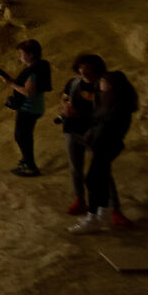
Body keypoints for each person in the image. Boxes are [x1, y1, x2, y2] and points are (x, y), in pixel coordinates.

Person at [77, 68, 139, 232]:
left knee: (92, 180)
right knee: (101, 179)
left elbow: (107, 126)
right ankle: (101, 214)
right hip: (105, 145)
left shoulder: (118, 107)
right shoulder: (111, 102)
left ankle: (93, 218)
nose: (100, 84)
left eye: (104, 82)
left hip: (106, 145)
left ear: (112, 86)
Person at [0, 38, 53, 177]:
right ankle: (27, 161)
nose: (19, 57)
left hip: (28, 108)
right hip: (35, 107)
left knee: (21, 136)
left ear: (31, 54)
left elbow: (29, 92)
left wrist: (10, 83)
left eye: (21, 54)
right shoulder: (40, 66)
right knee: (25, 135)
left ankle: (30, 166)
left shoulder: (33, 71)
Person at [59, 54, 105, 215]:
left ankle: (108, 207)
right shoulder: (73, 83)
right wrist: (65, 107)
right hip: (72, 130)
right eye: (81, 67)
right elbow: (64, 98)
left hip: (94, 133)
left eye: (88, 68)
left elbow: (105, 112)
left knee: (100, 171)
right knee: (75, 168)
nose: (83, 71)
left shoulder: (103, 86)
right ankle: (80, 200)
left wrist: (80, 114)